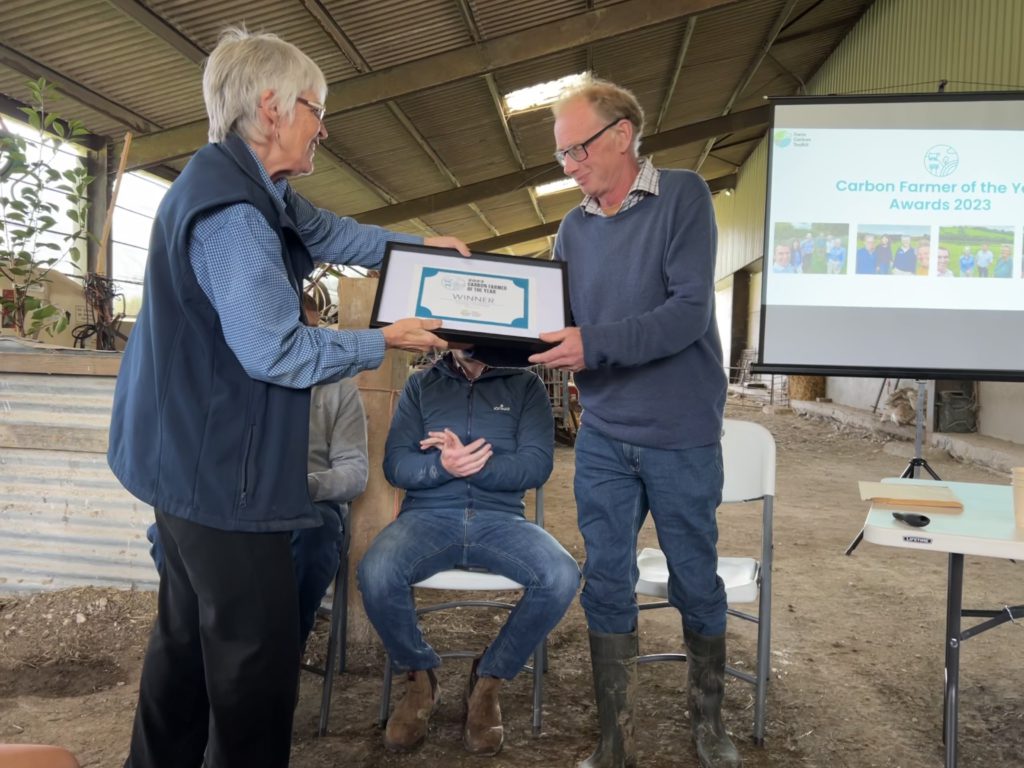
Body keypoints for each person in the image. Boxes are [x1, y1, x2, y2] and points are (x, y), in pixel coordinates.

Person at [106, 28, 468, 768]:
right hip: (218, 482)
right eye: (316, 107)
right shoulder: (233, 216)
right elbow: (274, 349)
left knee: (183, 646)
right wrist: (385, 340)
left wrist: (418, 249)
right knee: (254, 668)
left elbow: (330, 230)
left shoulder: (250, 184)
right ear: (271, 107)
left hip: (181, 466)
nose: (323, 126)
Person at [530, 77, 741, 768]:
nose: (569, 166)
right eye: (561, 156)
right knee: (608, 580)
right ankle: (615, 738)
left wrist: (593, 343)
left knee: (694, 579)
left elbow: (686, 314)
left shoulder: (682, 196)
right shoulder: (573, 227)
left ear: (622, 133)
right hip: (604, 433)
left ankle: (708, 724)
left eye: (576, 149)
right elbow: (551, 317)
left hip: (680, 431)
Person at [357, 349, 580, 756]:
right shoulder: (421, 384)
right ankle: (421, 678)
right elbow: (396, 465)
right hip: (427, 518)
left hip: (500, 519)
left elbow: (536, 465)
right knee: (376, 571)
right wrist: (443, 467)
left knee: (561, 575)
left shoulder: (525, 383)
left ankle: (488, 679)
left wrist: (475, 465)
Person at [143, 293, 369, 652]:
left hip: (303, 499)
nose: (294, 342)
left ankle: (284, 648)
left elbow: (355, 472)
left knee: (319, 535)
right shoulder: (229, 379)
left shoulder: (337, 389)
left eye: (304, 331)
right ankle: (207, 641)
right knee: (165, 532)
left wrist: (300, 486)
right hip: (233, 497)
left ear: (317, 331)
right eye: (283, 332)